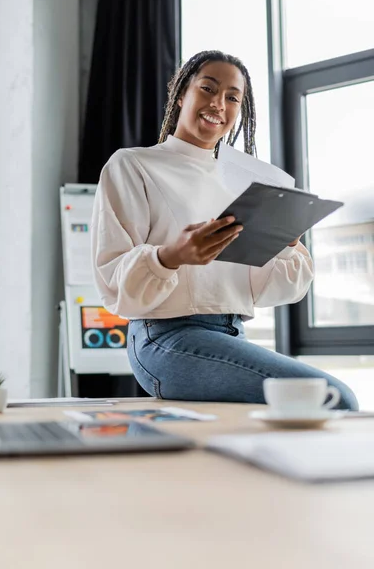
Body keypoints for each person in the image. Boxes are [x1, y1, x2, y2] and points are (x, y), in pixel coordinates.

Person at [91, 50, 358, 410]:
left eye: (233, 97)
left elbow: (272, 290)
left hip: (231, 334)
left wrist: (285, 242)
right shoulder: (133, 165)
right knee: (334, 399)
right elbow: (113, 281)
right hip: (165, 338)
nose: (219, 103)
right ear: (181, 93)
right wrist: (171, 256)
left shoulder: (245, 182)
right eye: (207, 88)